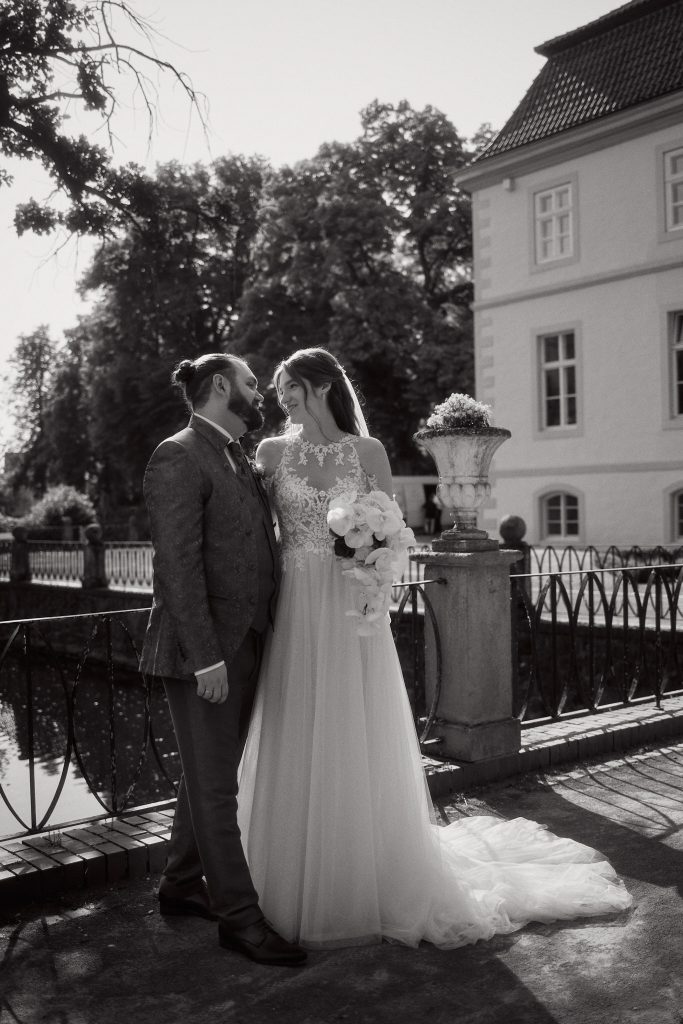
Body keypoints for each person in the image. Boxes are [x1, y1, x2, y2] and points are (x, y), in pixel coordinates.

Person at [237, 347, 632, 949]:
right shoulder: (270, 454)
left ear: (320, 387)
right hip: (295, 605)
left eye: (290, 386)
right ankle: (289, 867)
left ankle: (363, 870)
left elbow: (395, 536)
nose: (281, 397)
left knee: (352, 725)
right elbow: (252, 528)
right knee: (297, 721)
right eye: (279, 387)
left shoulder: (366, 453)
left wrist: (376, 562)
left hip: (349, 609)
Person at [140, 353, 306, 967]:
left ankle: (182, 886)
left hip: (249, 640)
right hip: (205, 655)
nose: (258, 391)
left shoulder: (236, 450)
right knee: (215, 790)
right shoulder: (178, 453)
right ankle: (240, 919)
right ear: (218, 387)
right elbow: (176, 568)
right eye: (249, 382)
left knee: (209, 777)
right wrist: (206, 658)